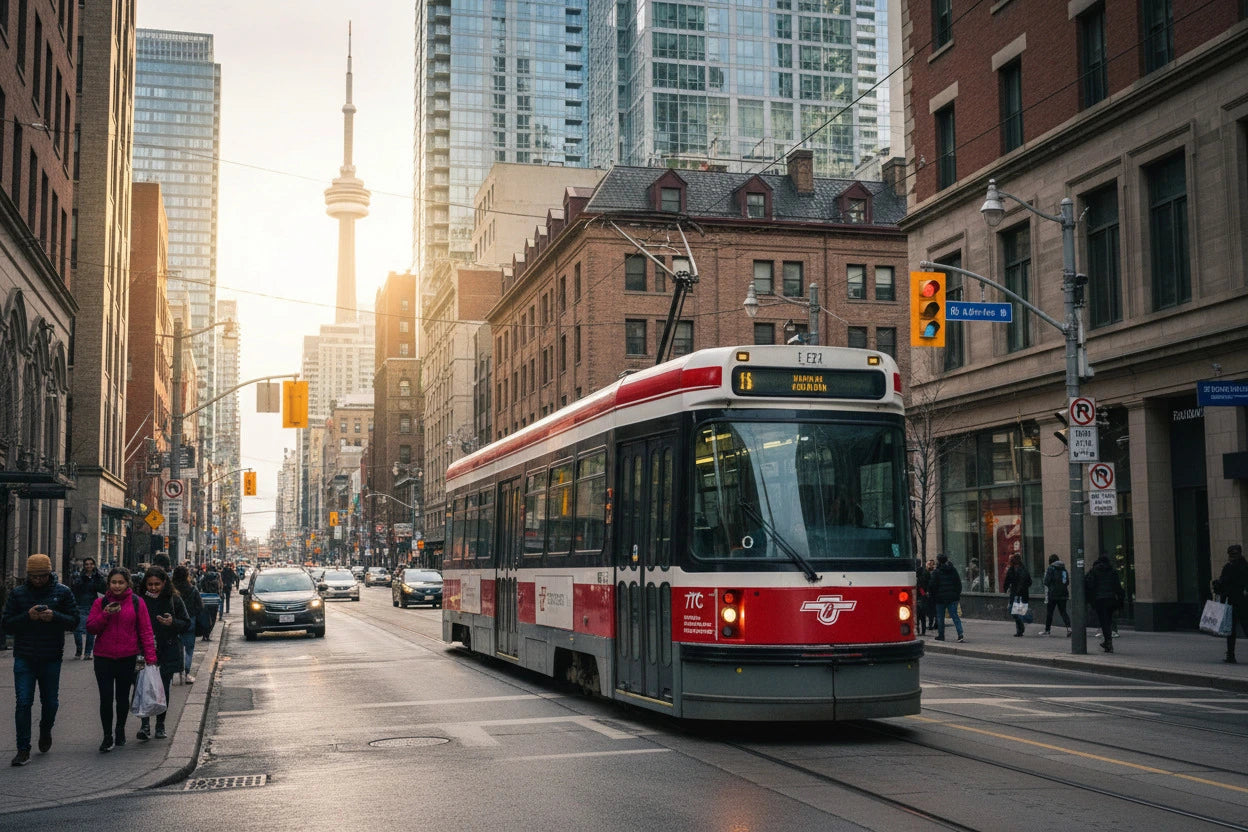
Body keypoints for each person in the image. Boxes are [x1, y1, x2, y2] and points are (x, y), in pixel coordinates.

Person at [1, 554, 79, 766]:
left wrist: (54, 616)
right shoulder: (18, 594)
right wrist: (28, 616)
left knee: (50, 702)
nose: (38, 580)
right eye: (34, 577)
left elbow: (74, 621)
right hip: (24, 657)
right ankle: (23, 749)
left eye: (42, 576)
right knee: (23, 703)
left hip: (51, 656)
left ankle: (45, 730)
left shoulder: (62, 592)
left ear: (49, 573)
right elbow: (6, 623)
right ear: (28, 575)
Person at [87, 567, 157, 752]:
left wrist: (150, 657)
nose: (117, 586)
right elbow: (91, 627)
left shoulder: (136, 602)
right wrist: (105, 614)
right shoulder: (100, 602)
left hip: (128, 656)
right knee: (106, 697)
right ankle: (107, 736)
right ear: (108, 584)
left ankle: (120, 730)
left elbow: (146, 630)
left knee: (122, 697)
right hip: (104, 657)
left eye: (121, 582)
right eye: (113, 582)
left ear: (128, 584)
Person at [135, 567, 190, 741]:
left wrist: (172, 622)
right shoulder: (139, 600)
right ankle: (145, 725)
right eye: (150, 584)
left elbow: (186, 623)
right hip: (143, 649)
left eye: (157, 584)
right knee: (143, 687)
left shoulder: (174, 599)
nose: (153, 588)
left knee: (163, 689)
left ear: (164, 583)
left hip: (167, 649)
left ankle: (160, 725)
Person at [1212, 544, 1248, 664]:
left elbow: (1223, 583)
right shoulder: (1243, 566)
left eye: (1233, 555)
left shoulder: (1232, 567)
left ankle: (1231, 655)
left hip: (1235, 601)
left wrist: (1218, 585)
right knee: (1236, 629)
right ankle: (1230, 655)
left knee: (1232, 630)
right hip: (1238, 602)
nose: (1232, 557)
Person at [1084, 554, 1124, 653]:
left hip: (1099, 600)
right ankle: (1107, 641)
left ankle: (1108, 642)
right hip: (1111, 599)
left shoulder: (1094, 571)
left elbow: (1088, 585)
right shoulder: (1113, 571)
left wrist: (1089, 599)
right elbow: (1118, 587)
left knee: (1104, 622)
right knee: (1108, 621)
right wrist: (1120, 600)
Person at [70, 557, 107, 659]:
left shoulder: (98, 577)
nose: (89, 566)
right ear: (84, 566)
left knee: (90, 630)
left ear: (94, 565)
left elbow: (104, 590)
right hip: (80, 606)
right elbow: (74, 591)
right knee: (77, 630)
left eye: (91, 564)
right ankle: (78, 651)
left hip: (93, 606)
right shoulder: (79, 577)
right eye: (87, 564)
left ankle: (87, 653)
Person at [171, 566, 202, 684]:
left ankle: (177, 671)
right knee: (189, 648)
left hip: (174, 621)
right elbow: (200, 606)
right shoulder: (192, 589)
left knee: (174, 646)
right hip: (190, 620)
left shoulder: (171, 589)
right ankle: (186, 673)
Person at [928, 553, 964, 642]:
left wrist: (933, 596)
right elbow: (958, 584)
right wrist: (956, 595)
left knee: (940, 617)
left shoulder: (936, 572)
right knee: (955, 616)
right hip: (952, 598)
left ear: (938, 561)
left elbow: (932, 586)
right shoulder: (953, 570)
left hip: (940, 599)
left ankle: (941, 635)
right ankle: (960, 634)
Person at [1040, 554, 1072, 637]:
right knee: (1063, 612)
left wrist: (1052, 586)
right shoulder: (1064, 569)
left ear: (1050, 561)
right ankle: (1069, 628)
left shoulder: (1051, 568)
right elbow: (1067, 582)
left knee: (1050, 613)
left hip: (1053, 594)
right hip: (1063, 594)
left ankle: (1047, 630)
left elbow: (1046, 581)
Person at [1002, 553, 1032, 637]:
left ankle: (1020, 631)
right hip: (1015, 594)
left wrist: (1022, 588)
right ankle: (1020, 628)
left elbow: (1029, 581)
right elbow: (1007, 580)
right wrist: (1006, 588)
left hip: (1021, 594)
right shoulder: (1011, 570)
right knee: (1013, 611)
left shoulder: (1023, 570)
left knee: (1018, 612)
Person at [915, 559, 931, 636]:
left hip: (916, 596)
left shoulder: (914, 573)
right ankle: (923, 631)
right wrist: (926, 592)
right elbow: (929, 583)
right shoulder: (926, 572)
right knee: (923, 615)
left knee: (917, 615)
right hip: (924, 596)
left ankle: (917, 630)